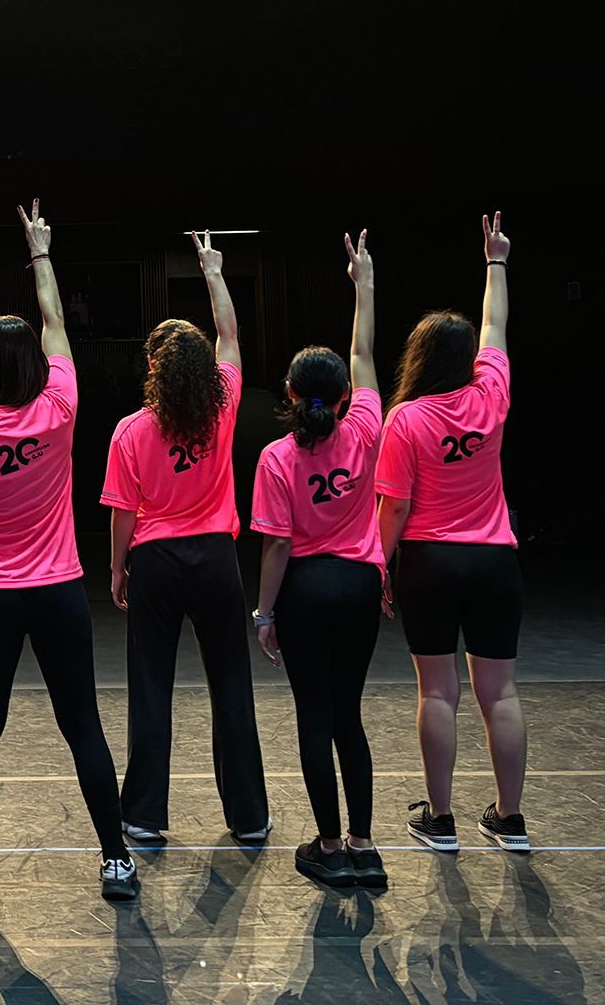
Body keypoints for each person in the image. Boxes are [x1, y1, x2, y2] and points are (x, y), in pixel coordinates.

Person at [0, 201, 136, 904]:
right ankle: (115, 860)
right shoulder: (60, 406)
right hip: (57, 591)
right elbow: (56, 327)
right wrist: (42, 255)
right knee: (81, 723)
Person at [104, 230, 271, 850]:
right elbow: (230, 336)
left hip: (156, 562)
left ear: (153, 366)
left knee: (152, 687)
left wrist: (118, 569)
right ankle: (250, 816)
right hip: (216, 562)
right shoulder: (221, 406)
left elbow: (123, 515)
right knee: (231, 685)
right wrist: (213, 272)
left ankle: (143, 815)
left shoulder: (130, 431)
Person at [376, 212, 528, 854]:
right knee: (500, 692)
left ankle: (440, 821)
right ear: (466, 360)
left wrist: (380, 569)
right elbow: (496, 326)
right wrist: (496, 261)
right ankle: (510, 820)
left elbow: (394, 511)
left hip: (431, 566)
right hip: (494, 563)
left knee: (437, 689)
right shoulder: (491, 394)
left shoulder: (406, 419)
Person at [250, 230, 387, 889]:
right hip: (361, 586)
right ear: (342, 398)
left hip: (306, 589)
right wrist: (363, 285)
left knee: (315, 717)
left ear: (288, 390)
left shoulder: (277, 457)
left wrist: (264, 614)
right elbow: (363, 352)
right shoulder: (365, 429)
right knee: (350, 716)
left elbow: (277, 545)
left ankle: (329, 846)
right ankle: (365, 844)